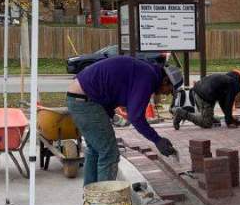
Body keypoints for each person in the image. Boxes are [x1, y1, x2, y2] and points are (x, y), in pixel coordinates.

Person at [67, 56, 181, 186]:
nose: (167, 94)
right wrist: (157, 140)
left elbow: (114, 87)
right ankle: (105, 202)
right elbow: (136, 117)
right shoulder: (148, 78)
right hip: (86, 100)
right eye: (170, 91)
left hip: (80, 97)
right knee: (109, 154)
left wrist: (109, 114)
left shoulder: (147, 71)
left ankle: (92, 201)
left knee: (96, 149)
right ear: (165, 80)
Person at [172, 69, 240, 130]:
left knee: (215, 121)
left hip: (201, 91)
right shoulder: (233, 85)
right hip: (204, 96)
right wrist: (229, 122)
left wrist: (229, 117)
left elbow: (222, 101)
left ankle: (207, 117)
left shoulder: (232, 78)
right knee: (206, 123)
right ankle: (181, 113)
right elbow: (228, 103)